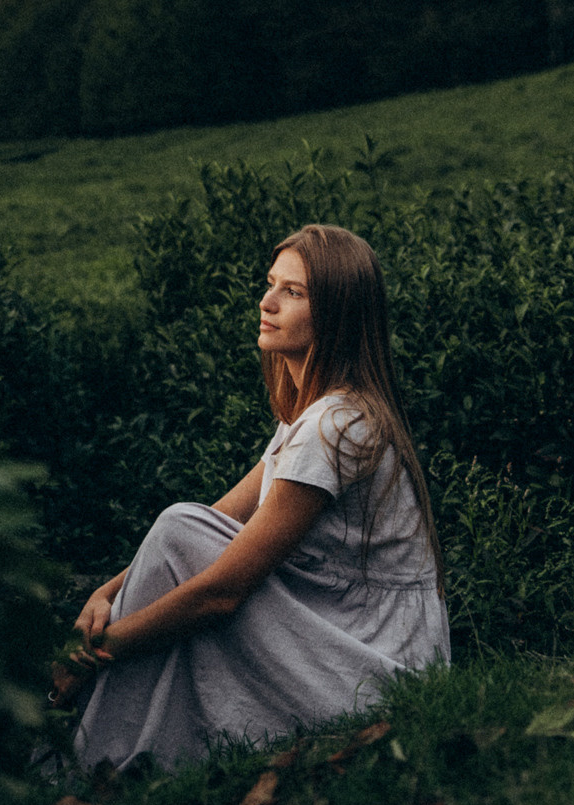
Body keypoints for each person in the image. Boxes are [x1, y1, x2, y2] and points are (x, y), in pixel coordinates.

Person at [69, 224, 449, 769]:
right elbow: (217, 520)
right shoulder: (308, 416)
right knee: (184, 530)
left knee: (182, 534)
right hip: (348, 630)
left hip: (374, 659)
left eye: (293, 292)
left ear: (336, 313)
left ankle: (89, 758)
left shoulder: (334, 426)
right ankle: (102, 751)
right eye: (271, 284)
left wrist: (94, 654)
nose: (266, 302)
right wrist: (104, 595)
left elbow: (222, 591)